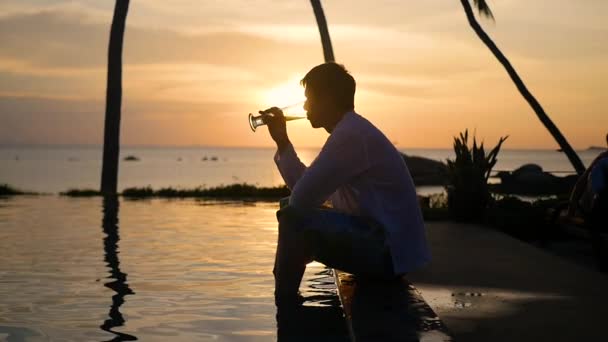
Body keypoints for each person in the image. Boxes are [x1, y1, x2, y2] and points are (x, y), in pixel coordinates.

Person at [262, 63, 430, 305]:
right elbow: (304, 193)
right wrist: (282, 143)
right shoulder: (351, 131)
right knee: (289, 208)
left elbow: (301, 201)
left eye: (310, 99)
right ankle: (285, 296)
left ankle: (284, 304)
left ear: (328, 98)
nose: (306, 106)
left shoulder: (350, 135)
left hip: (388, 254)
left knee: (291, 218)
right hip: (387, 248)